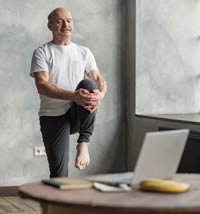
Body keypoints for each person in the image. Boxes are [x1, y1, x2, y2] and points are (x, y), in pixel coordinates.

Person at [30, 7, 107, 178]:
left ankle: (83, 143)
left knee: (89, 84)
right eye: (60, 21)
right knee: (58, 173)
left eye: (69, 20)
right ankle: (56, 204)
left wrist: (100, 95)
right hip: (52, 115)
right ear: (50, 26)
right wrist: (73, 95)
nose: (66, 25)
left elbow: (100, 80)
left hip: (77, 113)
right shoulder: (42, 52)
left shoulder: (83, 52)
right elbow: (42, 85)